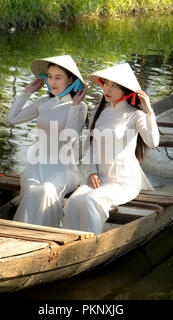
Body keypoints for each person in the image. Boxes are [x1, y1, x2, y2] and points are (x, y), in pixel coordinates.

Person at [62, 63, 159, 234]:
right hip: (99, 178)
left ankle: (91, 247)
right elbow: (91, 146)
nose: (107, 89)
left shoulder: (136, 114)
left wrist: (149, 110)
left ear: (126, 90)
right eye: (106, 83)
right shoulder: (99, 112)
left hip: (124, 181)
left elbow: (152, 142)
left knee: (92, 200)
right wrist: (92, 171)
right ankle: (70, 244)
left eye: (114, 86)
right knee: (73, 202)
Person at [6, 55, 88, 227]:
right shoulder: (44, 103)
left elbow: (70, 138)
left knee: (46, 190)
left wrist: (74, 107)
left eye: (58, 78)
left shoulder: (79, 107)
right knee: (32, 190)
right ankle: (22, 235)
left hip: (63, 170)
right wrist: (26, 92)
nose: (52, 82)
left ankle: (45, 235)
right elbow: (12, 119)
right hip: (37, 166)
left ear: (71, 81)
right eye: (49, 76)